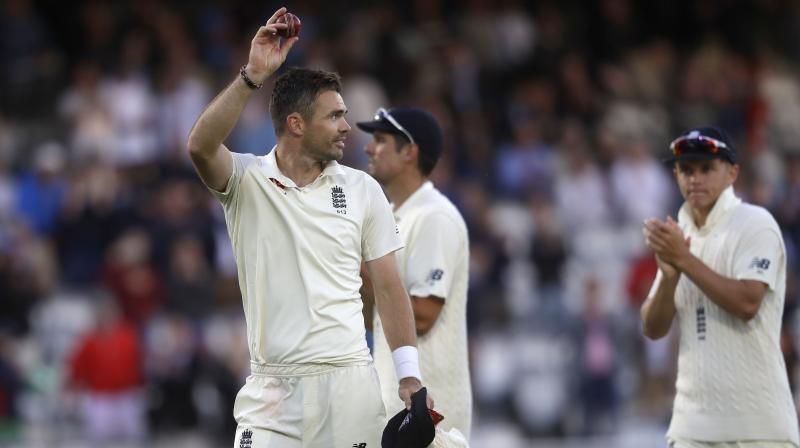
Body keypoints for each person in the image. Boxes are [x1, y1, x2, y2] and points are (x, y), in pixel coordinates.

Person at [186, 8, 430, 447]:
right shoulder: (246, 181)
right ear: (296, 125)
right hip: (272, 393)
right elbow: (201, 146)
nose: (345, 127)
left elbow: (390, 288)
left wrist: (409, 376)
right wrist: (251, 77)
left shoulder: (363, 190)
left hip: (348, 384)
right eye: (334, 116)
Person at [640, 126, 800, 448]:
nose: (695, 178)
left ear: (732, 173)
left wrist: (684, 260)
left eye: (706, 169)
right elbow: (653, 328)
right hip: (690, 427)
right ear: (675, 175)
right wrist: (669, 279)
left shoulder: (755, 223)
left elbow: (747, 304)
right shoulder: (679, 234)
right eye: (686, 169)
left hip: (757, 429)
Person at [357, 107, 472, 444]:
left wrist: (361, 268)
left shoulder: (434, 217)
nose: (368, 148)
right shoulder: (395, 217)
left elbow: (422, 316)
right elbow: (373, 318)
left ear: (410, 152)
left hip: (431, 404)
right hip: (400, 399)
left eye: (380, 140)